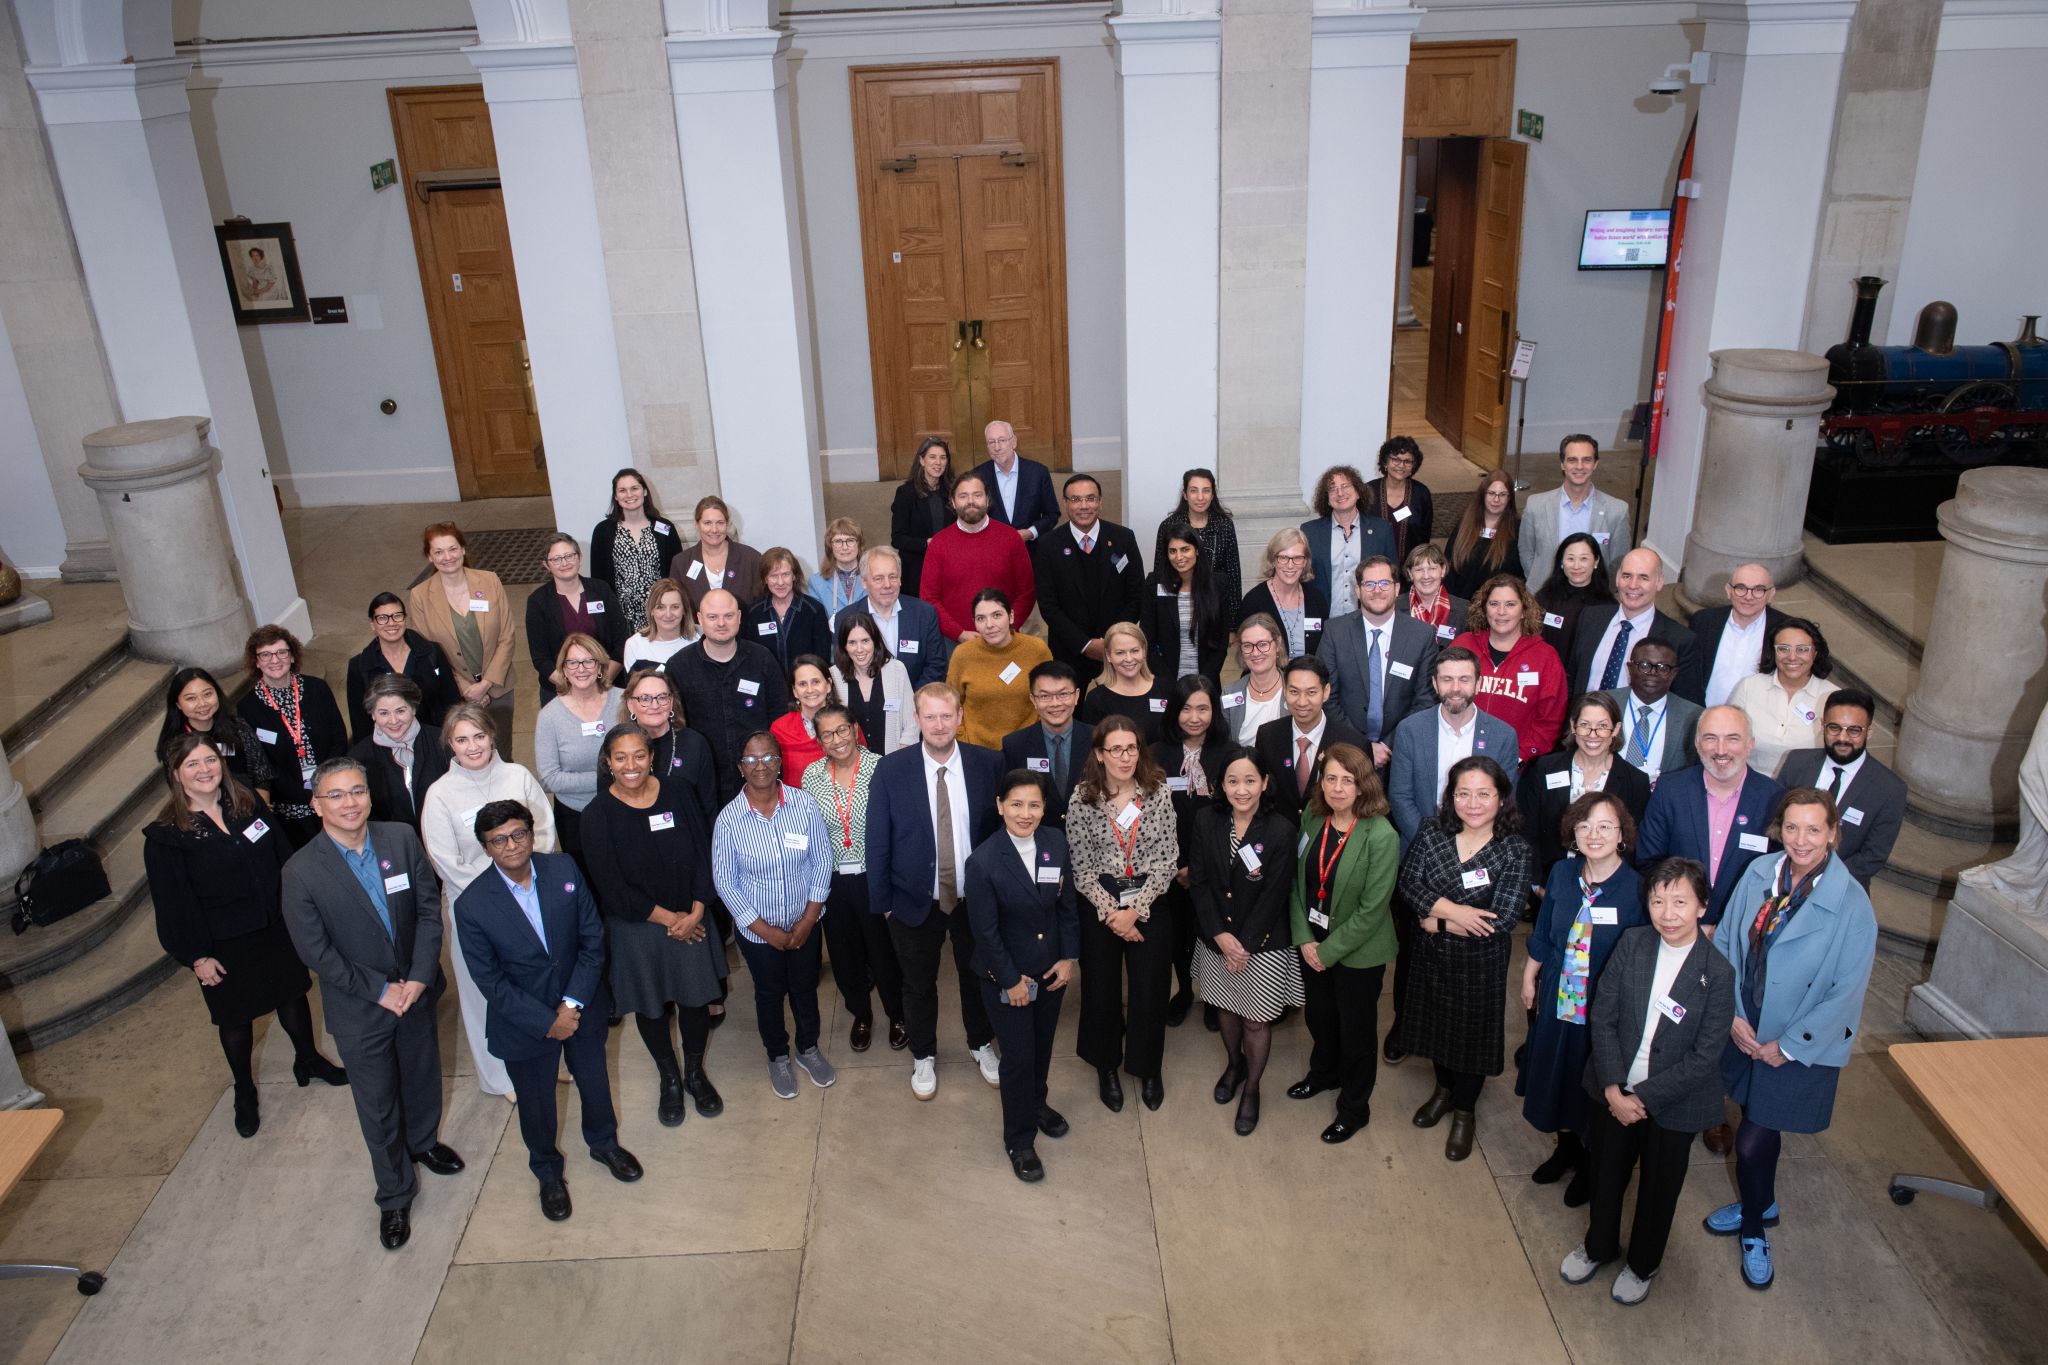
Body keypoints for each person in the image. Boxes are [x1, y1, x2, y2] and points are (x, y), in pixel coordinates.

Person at [280, 758, 459, 1251]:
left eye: (356, 791)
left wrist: (420, 977)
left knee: (422, 1076)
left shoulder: (399, 838)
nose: (349, 802)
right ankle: (395, 1193)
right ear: (317, 806)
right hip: (362, 1009)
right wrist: (381, 990)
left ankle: (423, 1143)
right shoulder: (301, 872)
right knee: (378, 1104)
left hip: (416, 994)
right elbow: (315, 951)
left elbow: (428, 908)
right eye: (335, 795)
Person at [1706, 788, 1878, 1290]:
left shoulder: (1852, 903)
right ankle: (1765, 1198)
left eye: (1814, 829)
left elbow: (1847, 992)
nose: (1801, 840)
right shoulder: (1760, 873)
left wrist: (1788, 1046)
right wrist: (1734, 1015)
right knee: (1760, 1125)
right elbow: (1727, 945)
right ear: (1778, 829)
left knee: (1754, 1137)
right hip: (1747, 1026)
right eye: (1792, 828)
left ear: (1832, 834)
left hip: (1798, 1041)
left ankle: (1755, 1227)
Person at [144, 734, 346, 1140]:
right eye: (193, 765)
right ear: (176, 775)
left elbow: (283, 856)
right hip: (223, 943)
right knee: (235, 1019)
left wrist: (299, 908)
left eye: (210, 760)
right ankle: (244, 1089)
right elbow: (172, 904)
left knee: (293, 993)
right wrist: (197, 956)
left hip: (274, 925)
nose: (205, 770)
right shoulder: (167, 836)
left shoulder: (247, 803)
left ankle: (308, 1059)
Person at [454, 801, 642, 1222]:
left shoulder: (563, 870)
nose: (511, 845)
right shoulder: (472, 906)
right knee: (537, 1104)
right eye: (498, 840)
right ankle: (547, 1172)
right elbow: (490, 981)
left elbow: (593, 939)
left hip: (582, 1006)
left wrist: (571, 1004)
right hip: (524, 1023)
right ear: (486, 848)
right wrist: (547, 1021)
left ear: (532, 832)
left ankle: (604, 1144)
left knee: (594, 1079)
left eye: (518, 833)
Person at [1560, 858, 1735, 1306]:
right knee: (1605, 1175)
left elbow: (1705, 1057)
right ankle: (1599, 1245)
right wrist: (1615, 1089)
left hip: (1675, 1103)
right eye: (1658, 901)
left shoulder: (1717, 973)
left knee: (1659, 1188)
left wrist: (1644, 1098)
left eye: (1680, 901)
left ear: (1702, 907)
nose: (1668, 913)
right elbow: (1603, 1016)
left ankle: (1643, 1264)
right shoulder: (1633, 943)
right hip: (1615, 1091)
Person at [581, 724, 728, 1126]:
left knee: (696, 1000)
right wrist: (671, 920)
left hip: (691, 916)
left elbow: (704, 851)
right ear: (608, 763)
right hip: (638, 925)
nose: (631, 765)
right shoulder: (596, 816)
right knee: (650, 1007)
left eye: (639, 755)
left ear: (652, 757)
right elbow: (611, 887)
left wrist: (697, 910)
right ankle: (669, 1078)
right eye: (621, 757)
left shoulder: (678, 792)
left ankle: (695, 1073)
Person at [865, 684, 1006, 1100]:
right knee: (918, 982)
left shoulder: (989, 764)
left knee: (977, 973)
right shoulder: (892, 770)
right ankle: (922, 1053)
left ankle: (980, 1044)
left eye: (947, 716)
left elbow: (1001, 834)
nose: (940, 725)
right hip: (912, 900)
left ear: (960, 717)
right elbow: (878, 840)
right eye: (931, 717)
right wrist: (885, 904)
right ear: (917, 719)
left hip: (974, 900)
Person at [1395, 755, 1534, 1160]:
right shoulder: (1432, 831)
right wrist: (1457, 913)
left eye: (1483, 794)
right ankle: (1442, 1090)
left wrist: (1435, 921)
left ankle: (1464, 1112)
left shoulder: (1515, 850)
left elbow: (1502, 918)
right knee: (1437, 1028)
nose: (1473, 803)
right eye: (1463, 793)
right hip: (1430, 960)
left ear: (1502, 797)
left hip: (1481, 966)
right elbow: (1409, 884)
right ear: (1450, 797)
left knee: (1471, 1039)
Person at [419, 702, 557, 1102]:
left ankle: (545, 1058)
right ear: (450, 744)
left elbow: (543, 830)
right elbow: (445, 858)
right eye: (462, 739)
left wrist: (525, 881)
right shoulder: (440, 794)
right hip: (474, 910)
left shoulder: (517, 776)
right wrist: (497, 894)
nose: (473, 746)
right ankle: (499, 1078)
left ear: (492, 735)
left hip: (530, 897)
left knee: (534, 983)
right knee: (484, 993)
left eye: (479, 736)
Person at [1516, 791, 1644, 1205]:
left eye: (1605, 826)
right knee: (1559, 1075)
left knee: (1592, 1083)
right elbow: (1543, 932)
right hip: (1557, 996)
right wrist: (1529, 977)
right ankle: (1565, 1149)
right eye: (1584, 825)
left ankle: (1591, 1162)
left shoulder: (1637, 890)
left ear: (1622, 834)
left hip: (1604, 1009)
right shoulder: (1560, 874)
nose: (1593, 834)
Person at [966, 770, 1080, 1183]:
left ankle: (1037, 1103)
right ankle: (1019, 1138)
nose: (1025, 813)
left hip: (1050, 970)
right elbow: (986, 932)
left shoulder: (1055, 842)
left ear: (1044, 808)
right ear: (999, 806)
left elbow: (1066, 906)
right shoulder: (982, 861)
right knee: (1017, 1058)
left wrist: (1069, 958)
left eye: (1034, 804)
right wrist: (1011, 981)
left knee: (1043, 1046)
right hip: (1006, 977)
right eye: (1016, 804)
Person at [712, 732, 837, 1099]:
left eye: (768, 757)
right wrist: (767, 931)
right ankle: (778, 1055)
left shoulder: (804, 804)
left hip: (806, 923)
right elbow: (726, 882)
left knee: (804, 989)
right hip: (758, 933)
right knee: (769, 994)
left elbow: (822, 859)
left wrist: (809, 919)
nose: (760, 765)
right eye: (751, 760)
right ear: (740, 768)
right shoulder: (729, 820)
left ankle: (808, 1048)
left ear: (780, 762)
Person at [1286, 742, 1400, 1143]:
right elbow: (1298, 885)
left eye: (1347, 780)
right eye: (1330, 778)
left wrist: (1328, 952)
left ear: (1363, 785)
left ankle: (1354, 1107)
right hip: (1312, 943)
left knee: (1356, 1034)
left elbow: (1373, 910)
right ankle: (1323, 1073)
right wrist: (1304, 940)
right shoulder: (1313, 818)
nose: (1336, 788)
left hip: (1357, 954)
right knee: (1319, 1017)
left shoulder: (1381, 836)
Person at [1189, 746, 1302, 1136]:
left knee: (1256, 1020)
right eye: (1233, 781)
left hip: (1263, 944)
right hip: (1217, 937)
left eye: (1250, 781)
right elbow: (1199, 883)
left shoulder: (1282, 830)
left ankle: (1251, 1088)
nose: (1241, 790)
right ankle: (1233, 1064)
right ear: (1221, 784)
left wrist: (1246, 943)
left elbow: (1275, 894)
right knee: (1226, 1007)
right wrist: (1220, 935)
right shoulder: (1206, 821)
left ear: (1265, 783)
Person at [1068, 716, 1177, 1112]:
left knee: (1150, 991)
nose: (1125, 756)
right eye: (1115, 749)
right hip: (1101, 901)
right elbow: (1080, 867)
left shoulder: (1158, 793)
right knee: (1101, 990)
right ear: (1099, 753)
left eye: (1131, 748)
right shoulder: (1082, 798)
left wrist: (1135, 910)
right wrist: (1113, 912)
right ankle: (1106, 1065)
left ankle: (1148, 1068)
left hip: (1149, 896)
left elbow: (1168, 860)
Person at [800, 701, 907, 1052]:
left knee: (884, 953)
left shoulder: (883, 768)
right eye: (827, 734)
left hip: (874, 877)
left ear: (855, 729)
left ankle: (898, 1014)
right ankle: (861, 1014)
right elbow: (810, 833)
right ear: (819, 739)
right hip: (832, 881)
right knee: (845, 957)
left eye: (842, 730)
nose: (836, 739)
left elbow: (897, 829)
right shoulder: (811, 776)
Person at [1636, 706, 1784, 930]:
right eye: (1710, 738)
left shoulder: (1774, 799)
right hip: (1674, 928)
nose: (1721, 750)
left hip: (1741, 933)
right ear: (1697, 743)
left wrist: (1727, 928)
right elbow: (1648, 863)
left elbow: (1777, 875)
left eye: (1732, 738)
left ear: (1750, 744)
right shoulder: (1670, 789)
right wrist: (1680, 918)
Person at [667, 589, 793, 811]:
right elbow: (676, 726)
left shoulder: (762, 659)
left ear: (739, 617)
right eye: (713, 617)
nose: (721, 623)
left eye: (728, 615)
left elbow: (781, 717)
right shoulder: (679, 667)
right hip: (703, 782)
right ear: (699, 619)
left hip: (759, 778)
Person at [1386, 646, 1521, 849]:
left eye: (1464, 679)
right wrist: (1433, 846)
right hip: (1420, 846)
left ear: (1478, 684)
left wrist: (1471, 846)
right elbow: (1400, 797)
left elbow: (1503, 801)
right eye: (1447, 679)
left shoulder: (1503, 736)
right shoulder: (1410, 730)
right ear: (1435, 683)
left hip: (1480, 849)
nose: (1455, 688)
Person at [1154, 675, 1230, 1028]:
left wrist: (1198, 868)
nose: (1195, 717)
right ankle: (1184, 990)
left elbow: (1234, 815)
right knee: (1178, 935)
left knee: (1212, 930)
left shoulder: (1230, 754)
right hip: (1169, 866)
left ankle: (1214, 997)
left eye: (1203, 708)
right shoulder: (1155, 754)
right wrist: (1175, 866)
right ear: (1174, 711)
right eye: (1186, 709)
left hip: (1216, 864)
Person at [1516, 692, 1650, 891]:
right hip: (1549, 884)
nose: (1592, 734)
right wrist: (1537, 885)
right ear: (1573, 726)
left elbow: (1632, 844)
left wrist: (1615, 888)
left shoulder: (1636, 781)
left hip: (1608, 889)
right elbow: (1526, 830)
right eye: (1585, 725)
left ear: (1616, 729)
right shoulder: (1543, 769)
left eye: (1603, 726)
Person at [1320, 555, 1441, 770]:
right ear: (1357, 590)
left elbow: (1425, 699)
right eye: (1369, 584)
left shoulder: (1421, 635)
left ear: (1396, 589)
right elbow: (1327, 696)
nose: (1377, 590)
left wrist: (1388, 744)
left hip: (1401, 753)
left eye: (1384, 583)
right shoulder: (1335, 632)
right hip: (1347, 753)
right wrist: (1362, 746)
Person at [1777, 690, 1906, 889]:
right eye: (1834, 728)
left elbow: (1873, 856)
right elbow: (1776, 822)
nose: (1842, 738)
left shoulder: (1889, 789)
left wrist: (1817, 882)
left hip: (1842, 890)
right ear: (1822, 726)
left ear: (1869, 731)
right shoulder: (1796, 762)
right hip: (1782, 879)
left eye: (1854, 730)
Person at [409, 522, 516, 757]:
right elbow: (426, 652)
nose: (448, 557)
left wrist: (486, 684)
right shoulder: (420, 596)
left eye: (453, 549)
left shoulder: (489, 581)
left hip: (498, 687)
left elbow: (507, 635)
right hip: (455, 693)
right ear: (429, 556)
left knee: (502, 754)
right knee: (467, 756)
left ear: (463, 549)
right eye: (439, 551)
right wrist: (466, 688)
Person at [238, 626, 349, 849]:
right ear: (256, 662)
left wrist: (324, 786)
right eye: (265, 654)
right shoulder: (247, 707)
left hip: (331, 793)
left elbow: (338, 737)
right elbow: (263, 764)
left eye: (281, 652)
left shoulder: (317, 688)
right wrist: (305, 795)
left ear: (292, 655)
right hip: (290, 809)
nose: (275, 660)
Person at [1035, 474, 1147, 675]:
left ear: (1100, 503)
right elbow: (1048, 605)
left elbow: (1136, 595)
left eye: (1090, 498)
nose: (1083, 505)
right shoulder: (1048, 545)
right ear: (1065, 504)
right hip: (1068, 650)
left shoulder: (1123, 538)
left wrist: (1111, 640)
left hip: (1118, 651)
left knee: (1117, 707)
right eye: (1076, 499)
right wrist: (1085, 644)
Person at [533, 634, 626, 868]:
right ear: (563, 669)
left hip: (624, 808)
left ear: (600, 667)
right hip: (575, 817)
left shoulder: (624, 701)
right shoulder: (550, 716)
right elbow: (548, 778)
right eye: (572, 663)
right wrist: (610, 777)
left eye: (588, 661)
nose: (580, 669)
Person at [1453, 575, 1568, 762]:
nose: (1501, 612)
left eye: (1510, 604)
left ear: (1524, 610)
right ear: (1484, 609)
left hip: (1515, 766)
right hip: (1459, 758)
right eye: (1494, 604)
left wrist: (1521, 755)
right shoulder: (1463, 645)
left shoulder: (1545, 657)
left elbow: (1550, 720)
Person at [1569, 548, 1704, 706]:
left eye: (1643, 578)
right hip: (1584, 725)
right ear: (1618, 578)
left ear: (1659, 582)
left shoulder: (1680, 640)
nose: (1633, 585)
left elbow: (1688, 705)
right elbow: (1573, 675)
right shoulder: (1591, 618)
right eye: (1627, 576)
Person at [920, 474, 1038, 644]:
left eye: (977, 495)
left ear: (987, 499)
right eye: (963, 496)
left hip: (1005, 638)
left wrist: (1006, 627)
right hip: (954, 642)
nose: (971, 501)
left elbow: (1026, 591)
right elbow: (929, 598)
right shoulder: (938, 543)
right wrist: (959, 633)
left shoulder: (1011, 538)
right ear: (952, 502)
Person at [1254, 654, 1369, 823]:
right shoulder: (1267, 735)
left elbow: (1365, 803)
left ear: (1326, 692)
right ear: (1285, 691)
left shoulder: (1354, 743)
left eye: (1311, 692)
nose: (1302, 702)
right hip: (1279, 840)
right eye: (1294, 692)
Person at [1728, 617, 1838, 778]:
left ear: (1815, 653)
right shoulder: (1749, 687)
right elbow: (1728, 739)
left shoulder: (1833, 697)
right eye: (1784, 648)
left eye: (1802, 649)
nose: (1792, 657)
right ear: (1773, 652)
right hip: (1749, 783)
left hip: (1807, 791)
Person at [523, 533, 625, 707]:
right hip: (561, 690)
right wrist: (574, 686)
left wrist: (602, 681)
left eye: (569, 556)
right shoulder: (538, 602)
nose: (564, 563)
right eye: (556, 559)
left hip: (607, 685)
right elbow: (540, 658)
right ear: (546, 565)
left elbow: (621, 641)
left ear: (580, 557)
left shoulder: (601, 589)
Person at [1520, 434, 1633, 590]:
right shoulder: (1536, 505)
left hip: (1592, 600)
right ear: (1562, 464)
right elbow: (1526, 552)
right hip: (1545, 596)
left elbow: (1617, 562)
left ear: (1595, 464)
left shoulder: (1617, 511)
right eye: (1572, 460)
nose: (1579, 466)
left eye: (1586, 460)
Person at [947, 588, 1053, 748]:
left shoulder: (1036, 650)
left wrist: (1038, 738)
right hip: (977, 750)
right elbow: (951, 703)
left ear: (1010, 616)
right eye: (981, 618)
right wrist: (963, 740)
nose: (989, 625)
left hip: (1027, 747)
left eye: (997, 615)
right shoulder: (963, 654)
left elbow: (1050, 696)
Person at [344, 594, 460, 741]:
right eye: (382, 618)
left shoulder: (432, 652)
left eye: (397, 616)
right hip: (389, 746)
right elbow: (360, 722)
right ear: (372, 624)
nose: (391, 623)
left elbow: (452, 699)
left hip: (435, 739)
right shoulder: (359, 666)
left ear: (405, 619)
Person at [618, 667, 719, 830]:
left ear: (671, 702)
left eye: (662, 697)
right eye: (645, 698)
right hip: (635, 837)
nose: (655, 705)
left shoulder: (695, 743)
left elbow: (708, 807)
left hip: (687, 837)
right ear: (631, 705)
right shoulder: (616, 746)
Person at [589, 467, 685, 633]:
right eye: (622, 490)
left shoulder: (665, 528)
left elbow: (676, 573)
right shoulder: (603, 531)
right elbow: (598, 579)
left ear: (645, 491)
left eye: (634, 488)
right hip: (621, 615)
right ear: (615, 496)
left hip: (661, 612)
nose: (629, 495)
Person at [349, 675, 449, 831]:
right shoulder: (358, 758)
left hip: (445, 832)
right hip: (393, 843)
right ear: (373, 715)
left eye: (400, 711)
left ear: (414, 709)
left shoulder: (443, 741)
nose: (393, 721)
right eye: (383, 713)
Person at [1603, 638, 1704, 791]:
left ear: (1673, 673)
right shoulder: (1603, 703)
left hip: (1661, 802)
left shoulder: (1693, 715)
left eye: (1663, 668)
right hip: (1605, 795)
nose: (1652, 673)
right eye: (1644, 665)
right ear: (1630, 668)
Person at [1001, 660, 1093, 826]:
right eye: (1044, 696)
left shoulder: (1098, 739)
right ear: (1033, 700)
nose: (1055, 703)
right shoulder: (1015, 745)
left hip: (1091, 841)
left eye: (1063, 694)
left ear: (1077, 696)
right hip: (1039, 842)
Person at [157, 666, 273, 798]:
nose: (202, 703)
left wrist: (262, 806)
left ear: (217, 693)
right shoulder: (175, 745)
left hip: (252, 803)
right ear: (178, 704)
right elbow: (184, 794)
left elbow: (262, 773)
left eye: (207, 694)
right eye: (191, 698)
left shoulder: (238, 727)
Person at [841, 546, 948, 687]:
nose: (887, 585)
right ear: (864, 582)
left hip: (916, 702)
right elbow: (844, 668)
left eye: (892, 577)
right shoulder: (845, 618)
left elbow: (936, 665)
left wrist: (913, 701)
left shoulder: (924, 614)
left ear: (900, 579)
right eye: (878, 579)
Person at [1301, 464, 1395, 620]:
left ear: (1358, 492)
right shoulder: (1310, 532)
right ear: (1327, 498)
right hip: (1325, 621)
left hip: (1368, 619)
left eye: (1345, 486)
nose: (1340, 493)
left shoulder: (1381, 530)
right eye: (1332, 489)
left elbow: (1393, 576)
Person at [1154, 468, 1242, 631]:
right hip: (1177, 610)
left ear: (1213, 495)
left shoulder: (1224, 526)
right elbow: (1160, 573)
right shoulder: (1168, 526)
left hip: (1214, 609)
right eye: (1194, 491)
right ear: (1185, 495)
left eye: (1206, 491)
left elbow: (1234, 577)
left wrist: (1233, 626)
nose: (1200, 497)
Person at [1691, 562, 1788, 709]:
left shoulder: (1785, 629)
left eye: (1758, 589)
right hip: (1703, 717)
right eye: (1741, 588)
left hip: (1756, 724)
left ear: (1771, 594)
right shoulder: (1704, 622)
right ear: (1728, 590)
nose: (1748, 596)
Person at [1144, 521, 1228, 686]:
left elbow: (1221, 644)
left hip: (1206, 683)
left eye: (1185, 549)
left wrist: (1204, 682)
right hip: (1164, 683)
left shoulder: (1218, 584)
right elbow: (1147, 642)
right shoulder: (1154, 584)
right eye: (1172, 551)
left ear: (1196, 550)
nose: (1179, 557)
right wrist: (1168, 683)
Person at [830, 611, 916, 755]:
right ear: (844, 646)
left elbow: (912, 721)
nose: (859, 649)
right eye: (852, 642)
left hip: (893, 761)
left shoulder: (897, 670)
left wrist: (902, 755)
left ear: (875, 642)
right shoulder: (834, 676)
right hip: (851, 768)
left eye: (865, 641)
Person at [1239, 528, 1329, 660]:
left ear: (1305, 562)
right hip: (1267, 678)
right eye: (1283, 558)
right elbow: (1247, 655)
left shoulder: (1317, 599)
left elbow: (1323, 651)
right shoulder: (1253, 601)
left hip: (1308, 677)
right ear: (1273, 560)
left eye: (1297, 558)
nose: (1290, 565)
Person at [1079, 620, 1172, 745]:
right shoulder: (1096, 699)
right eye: (1120, 653)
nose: (1128, 659)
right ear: (1108, 655)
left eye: (1134, 651)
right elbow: (1095, 749)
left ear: (1144, 651)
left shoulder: (1166, 689)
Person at [744, 547, 835, 672]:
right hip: (768, 687)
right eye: (774, 576)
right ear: (765, 579)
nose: (780, 582)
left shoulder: (813, 610)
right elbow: (750, 657)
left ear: (794, 576)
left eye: (785, 574)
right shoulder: (754, 612)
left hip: (805, 686)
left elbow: (822, 658)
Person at [1534, 533, 1616, 670]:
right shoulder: (1544, 597)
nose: (1576, 566)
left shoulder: (1608, 606)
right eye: (1570, 559)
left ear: (1596, 561)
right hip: (1546, 671)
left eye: (1584, 559)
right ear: (1561, 562)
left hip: (1585, 679)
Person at [669, 494, 765, 613]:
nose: (714, 529)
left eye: (720, 523)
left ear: (727, 524)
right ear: (697, 524)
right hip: (699, 631)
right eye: (707, 523)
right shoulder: (681, 563)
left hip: (745, 630)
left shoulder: (751, 558)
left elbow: (763, 604)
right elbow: (676, 606)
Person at [971, 418, 1059, 543]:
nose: (997, 447)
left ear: (1014, 442)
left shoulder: (1038, 473)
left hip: (1030, 550)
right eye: (991, 442)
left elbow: (1052, 515)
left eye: (1002, 440)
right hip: (991, 549)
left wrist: (1030, 533)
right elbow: (971, 516)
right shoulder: (977, 476)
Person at [890, 436, 955, 598]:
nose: (938, 463)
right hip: (917, 568)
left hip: (949, 564)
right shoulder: (905, 494)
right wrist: (926, 544)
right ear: (922, 460)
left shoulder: (953, 490)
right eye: (932, 457)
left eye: (943, 457)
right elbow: (897, 539)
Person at [1444, 469, 1521, 602]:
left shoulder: (1517, 529)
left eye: (1502, 494)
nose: (1496, 499)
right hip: (1461, 603)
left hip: (1497, 607)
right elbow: (1448, 564)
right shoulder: (1464, 524)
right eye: (1491, 493)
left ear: (1510, 498)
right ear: (1483, 495)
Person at [1363, 435, 1435, 567]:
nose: (1401, 465)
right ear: (1385, 462)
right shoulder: (1368, 491)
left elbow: (1425, 537)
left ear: (1413, 466)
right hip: (1372, 567)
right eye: (1395, 459)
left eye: (1407, 461)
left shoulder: (1421, 494)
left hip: (1410, 569)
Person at [1220, 613, 1289, 743]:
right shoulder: (1229, 693)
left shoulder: (1295, 690)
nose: (1255, 653)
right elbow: (1224, 746)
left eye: (1262, 644)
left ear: (1278, 644)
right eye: (1247, 646)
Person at [770, 655, 836, 779]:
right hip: (794, 798)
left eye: (816, 682)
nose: (810, 690)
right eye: (802, 684)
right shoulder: (780, 729)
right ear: (794, 691)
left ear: (828, 685)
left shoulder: (846, 722)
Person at [621, 577, 698, 672]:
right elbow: (633, 686)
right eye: (660, 607)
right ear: (651, 610)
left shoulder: (698, 642)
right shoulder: (634, 645)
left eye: (675, 607)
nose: (668, 614)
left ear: (684, 610)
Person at [1403, 542, 1466, 645]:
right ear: (1410, 574)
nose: (1426, 576)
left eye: (1432, 568)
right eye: (1419, 569)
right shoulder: (1394, 608)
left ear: (1443, 570)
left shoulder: (1464, 610)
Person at [809, 517, 869, 619]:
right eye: (838, 541)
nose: (844, 547)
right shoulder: (816, 582)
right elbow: (816, 622)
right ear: (830, 546)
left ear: (859, 545)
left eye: (850, 540)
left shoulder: (873, 577)